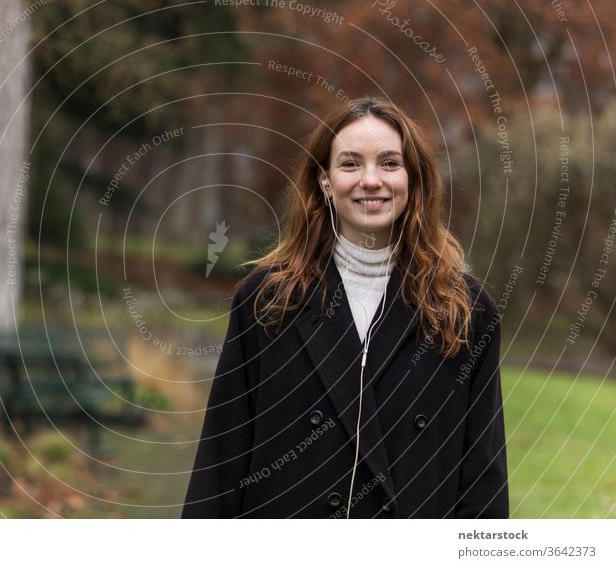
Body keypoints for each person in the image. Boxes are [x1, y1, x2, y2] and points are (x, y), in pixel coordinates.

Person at [181, 96, 508, 519]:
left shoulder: (466, 310)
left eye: (390, 163)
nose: (370, 180)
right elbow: (221, 458)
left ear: (414, 181)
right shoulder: (266, 300)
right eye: (351, 164)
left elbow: (483, 477)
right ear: (324, 181)